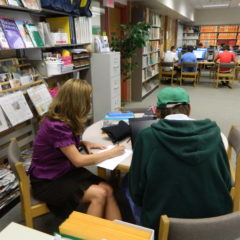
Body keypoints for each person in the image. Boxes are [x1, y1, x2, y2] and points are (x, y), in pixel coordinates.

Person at [128, 87, 233, 238]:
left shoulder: (147, 137)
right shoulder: (214, 133)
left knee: (124, 188)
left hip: (165, 227)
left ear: (157, 112)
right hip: (215, 224)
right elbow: (227, 181)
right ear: (189, 109)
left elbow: (136, 192)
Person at [29, 78, 125, 220]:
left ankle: (117, 234)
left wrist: (82, 143)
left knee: (108, 189)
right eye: (87, 100)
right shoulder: (56, 125)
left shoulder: (63, 117)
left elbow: (62, 145)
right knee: (99, 194)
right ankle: (88, 235)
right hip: (48, 181)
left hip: (63, 171)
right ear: (78, 102)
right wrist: (111, 153)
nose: (89, 103)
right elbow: (78, 161)